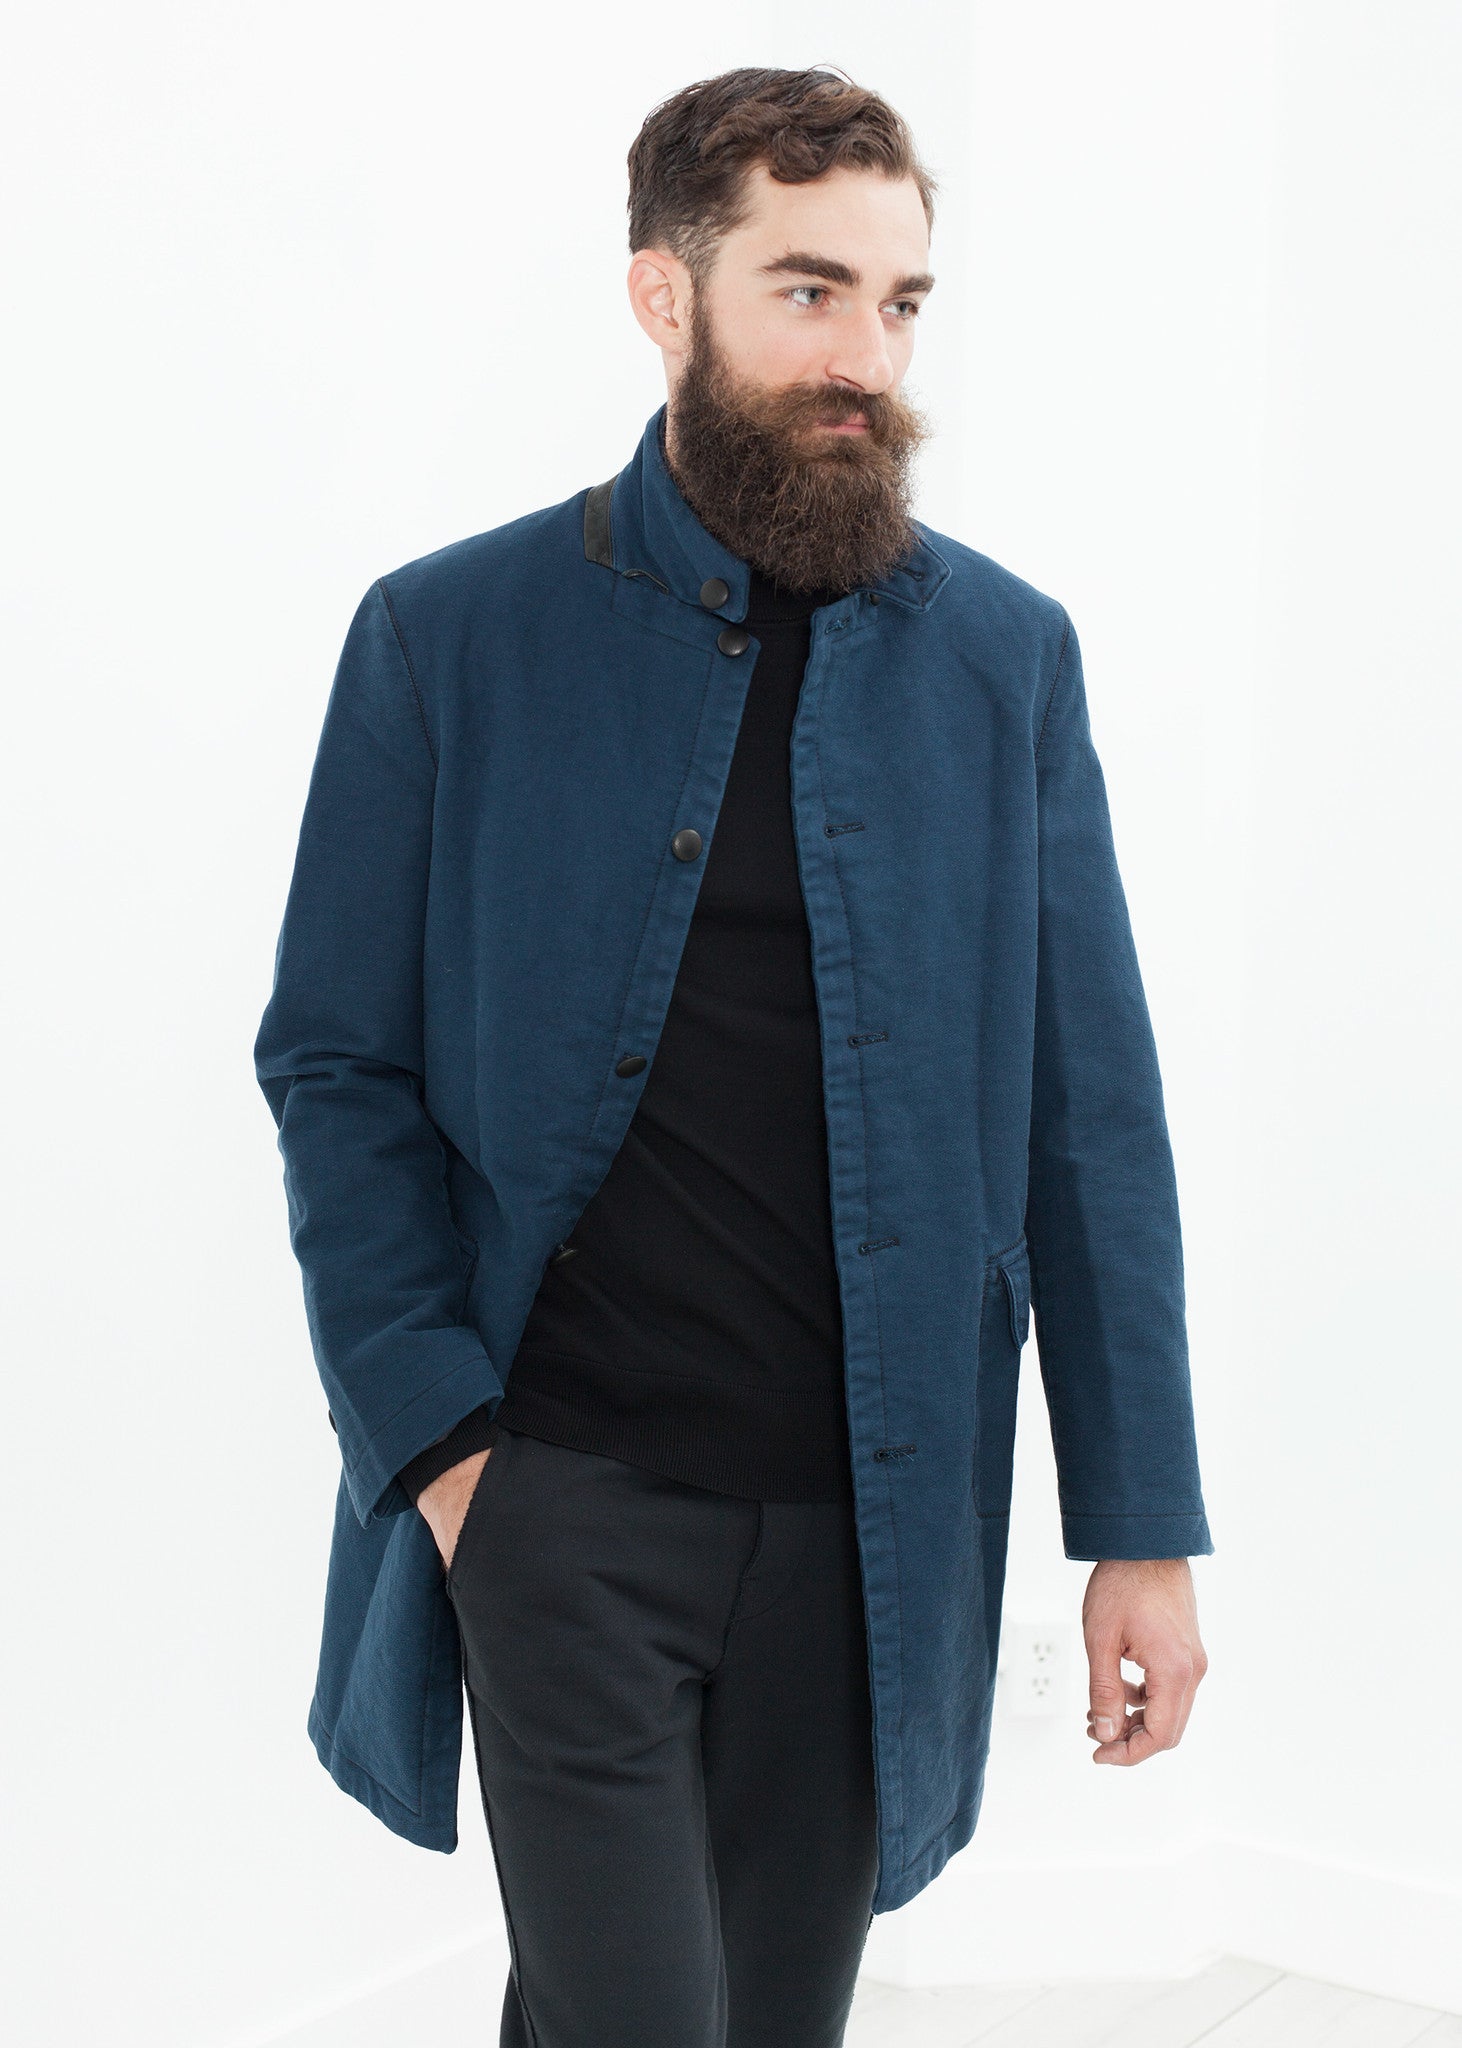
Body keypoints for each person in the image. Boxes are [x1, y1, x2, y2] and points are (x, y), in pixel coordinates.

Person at [253, 63, 1213, 2048]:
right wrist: (444, 1452)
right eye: (806, 289)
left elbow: (1089, 1124)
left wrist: (1138, 1524)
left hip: (872, 1530)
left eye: (899, 300)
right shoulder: (448, 636)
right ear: (661, 295)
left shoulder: (1002, 660)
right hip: (559, 1503)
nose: (864, 354)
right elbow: (336, 1064)